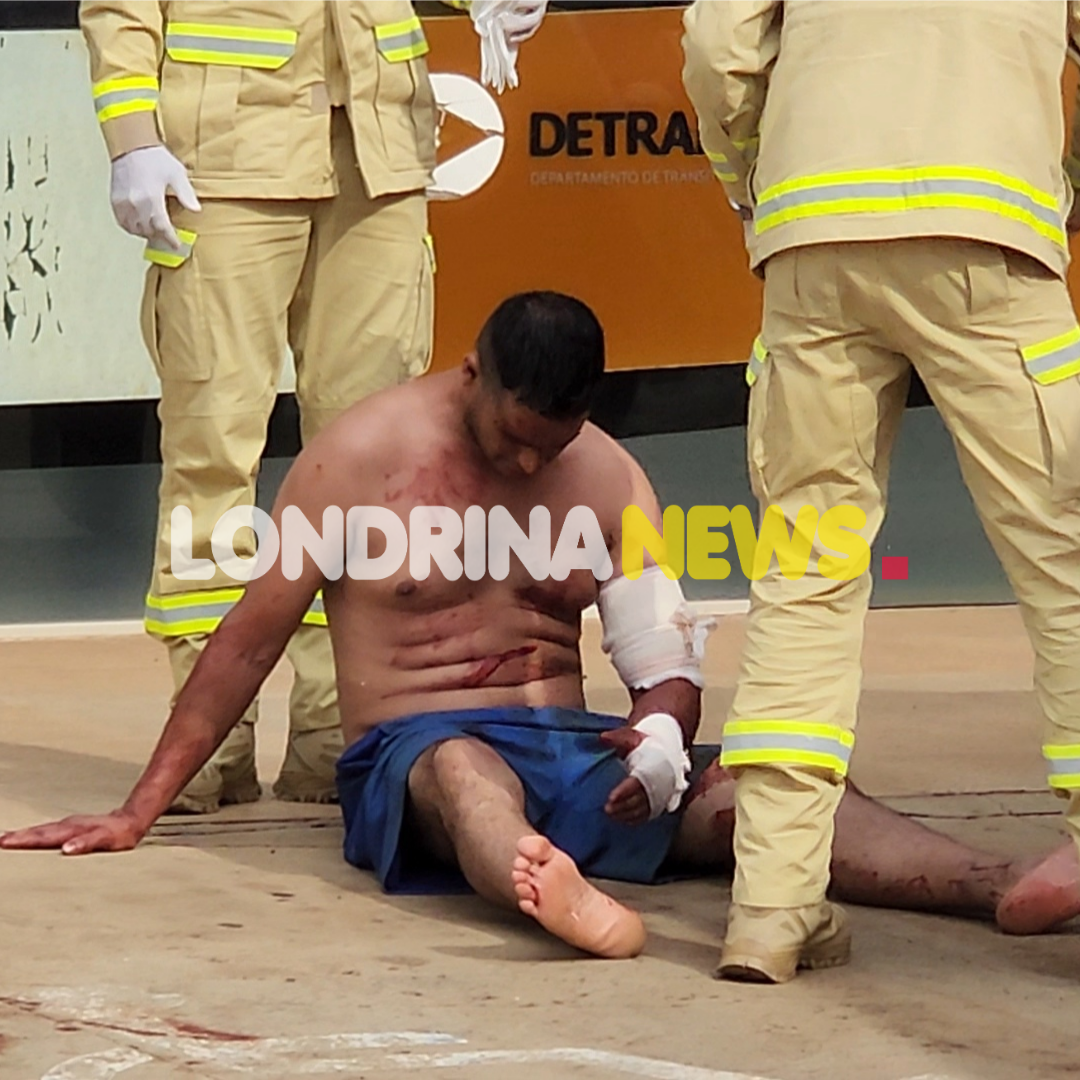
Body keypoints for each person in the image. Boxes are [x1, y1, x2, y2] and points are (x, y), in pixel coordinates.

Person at [3, 293, 1078, 961]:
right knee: (465, 766)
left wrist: (662, 734)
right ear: (473, 373)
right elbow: (248, 640)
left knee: (764, 785)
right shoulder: (357, 460)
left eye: (546, 447)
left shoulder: (606, 474)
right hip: (418, 747)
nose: (526, 467)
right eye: (509, 439)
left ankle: (1001, 885)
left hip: (579, 752)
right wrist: (137, 809)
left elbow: (659, 651)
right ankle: (545, 891)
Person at [680, 0, 1080, 983]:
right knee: (1065, 563)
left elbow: (716, 48)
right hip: (990, 230)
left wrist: (751, 185)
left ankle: (771, 908)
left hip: (813, 235)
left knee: (802, 574)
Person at [79, 0, 547, 814]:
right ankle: (210, 742)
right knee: (212, 457)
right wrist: (133, 139)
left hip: (381, 149)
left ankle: (339, 727)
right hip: (222, 160)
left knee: (374, 474)